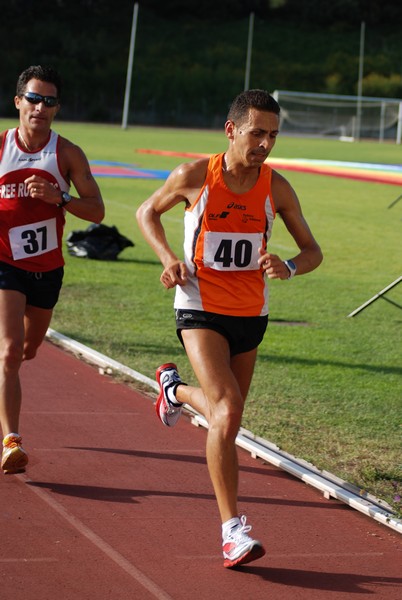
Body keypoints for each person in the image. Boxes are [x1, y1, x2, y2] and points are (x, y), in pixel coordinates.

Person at [136, 89, 323, 568]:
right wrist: (169, 259)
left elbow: (312, 250)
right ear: (231, 130)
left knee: (227, 416)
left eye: (273, 135)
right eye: (257, 132)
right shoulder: (195, 176)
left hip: (251, 314)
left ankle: (173, 393)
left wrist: (290, 267)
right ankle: (231, 532)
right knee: (228, 407)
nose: (265, 143)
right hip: (199, 304)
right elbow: (146, 212)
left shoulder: (276, 186)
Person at [0, 65, 105, 474]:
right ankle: (11, 441)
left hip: (46, 269)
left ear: (56, 108)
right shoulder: (2, 147)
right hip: (5, 263)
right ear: (17, 102)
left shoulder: (66, 154)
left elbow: (96, 210)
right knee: (9, 351)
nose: (39, 108)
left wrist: (58, 197)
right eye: (33, 99)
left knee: (27, 349)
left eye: (48, 101)